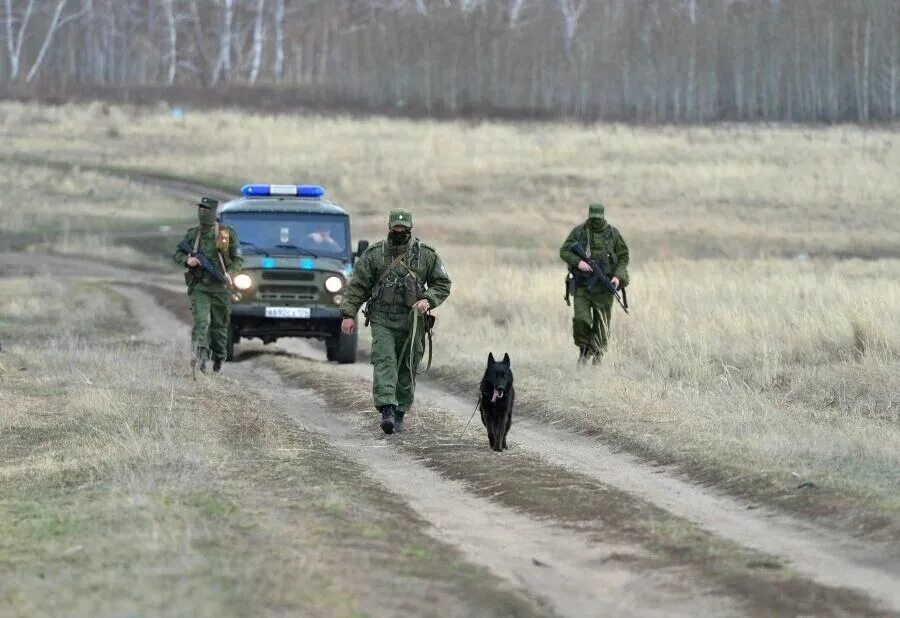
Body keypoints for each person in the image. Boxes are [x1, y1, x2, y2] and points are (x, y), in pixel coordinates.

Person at [340, 210, 451, 434]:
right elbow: (357, 287)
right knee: (385, 361)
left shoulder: (426, 255)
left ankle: (400, 412)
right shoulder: (374, 255)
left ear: (410, 229)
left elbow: (442, 284)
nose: (400, 232)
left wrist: (427, 301)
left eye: (404, 229)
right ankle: (387, 410)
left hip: (413, 322)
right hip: (383, 320)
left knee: (407, 367)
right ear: (390, 228)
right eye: (396, 228)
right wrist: (347, 315)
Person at [173, 197, 243, 374]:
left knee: (219, 328)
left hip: (221, 289)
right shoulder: (193, 234)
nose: (202, 213)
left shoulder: (227, 234)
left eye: (206, 210)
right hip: (200, 288)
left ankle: (218, 357)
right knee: (201, 323)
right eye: (200, 209)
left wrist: (230, 273)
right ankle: (200, 358)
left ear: (213, 212)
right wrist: (187, 260)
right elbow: (178, 254)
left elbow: (238, 259)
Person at [559, 202, 629, 365]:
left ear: (603, 216)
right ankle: (584, 350)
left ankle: (598, 354)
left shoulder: (613, 234)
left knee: (602, 324)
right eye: (593, 218)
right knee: (581, 319)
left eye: (598, 218)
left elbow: (624, 256)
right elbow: (564, 251)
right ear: (590, 216)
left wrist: (617, 277)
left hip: (604, 288)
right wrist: (578, 262)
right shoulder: (580, 232)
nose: (595, 221)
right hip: (582, 286)